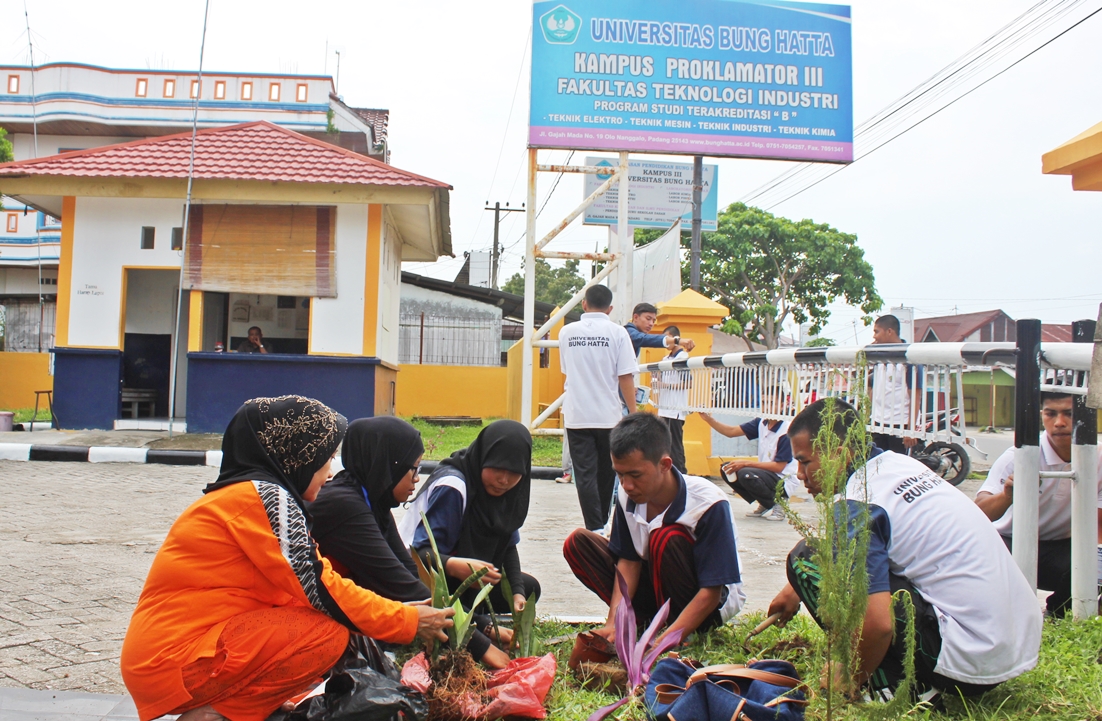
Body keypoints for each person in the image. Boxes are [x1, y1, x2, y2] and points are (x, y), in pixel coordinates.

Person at [121, 396, 453, 721]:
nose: (330, 469)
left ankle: (242, 706)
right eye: (326, 457)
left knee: (315, 620)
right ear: (298, 456)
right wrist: (406, 621)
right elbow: (323, 590)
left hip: (177, 656)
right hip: (175, 661)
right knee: (328, 632)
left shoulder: (254, 496)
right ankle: (219, 714)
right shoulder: (264, 498)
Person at [768, 399, 1041, 699]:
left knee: (805, 558)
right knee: (828, 557)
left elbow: (878, 625)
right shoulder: (901, 465)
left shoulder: (857, 506)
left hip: (969, 660)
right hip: (1015, 644)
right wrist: (794, 590)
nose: (799, 474)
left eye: (805, 462)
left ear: (840, 454)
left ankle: (894, 686)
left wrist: (847, 675)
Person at [310, 417, 513, 667]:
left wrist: (485, 627)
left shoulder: (373, 502)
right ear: (389, 466)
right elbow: (399, 584)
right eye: (413, 468)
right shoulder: (344, 506)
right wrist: (482, 646)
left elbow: (409, 571)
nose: (417, 479)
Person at [563, 413, 745, 646]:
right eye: (619, 474)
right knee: (577, 543)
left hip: (707, 604)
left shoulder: (708, 503)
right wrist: (614, 622)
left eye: (636, 475)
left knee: (664, 537)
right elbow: (628, 562)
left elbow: (711, 592)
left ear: (664, 465)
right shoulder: (627, 496)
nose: (626, 485)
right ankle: (637, 621)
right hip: (657, 588)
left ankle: (677, 629)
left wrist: (666, 640)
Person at [975, 391, 1102, 616]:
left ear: (1086, 415)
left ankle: (1060, 614)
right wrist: (1007, 496)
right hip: (1009, 543)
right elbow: (977, 513)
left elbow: (1098, 527)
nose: (1059, 423)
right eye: (1050, 414)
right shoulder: (1019, 456)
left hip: (1063, 548)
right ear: (1041, 416)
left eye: (1069, 414)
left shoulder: (1097, 458)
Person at [399, 420, 541, 619]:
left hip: (469, 576)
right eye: (498, 469)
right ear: (484, 457)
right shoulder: (453, 487)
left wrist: (517, 594)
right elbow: (420, 555)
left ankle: (470, 611)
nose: (504, 480)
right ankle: (472, 619)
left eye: (514, 473)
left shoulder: (508, 492)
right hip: (423, 575)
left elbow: (507, 543)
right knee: (444, 595)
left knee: (529, 587)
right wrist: (456, 567)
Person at [558, 285, 638, 531]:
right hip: (609, 416)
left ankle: (595, 526)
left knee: (584, 475)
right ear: (610, 308)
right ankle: (601, 523)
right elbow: (626, 377)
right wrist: (633, 415)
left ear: (584, 304)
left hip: (576, 414)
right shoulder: (618, 333)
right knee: (607, 474)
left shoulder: (566, 332)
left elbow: (566, 370)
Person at [699, 410, 798, 522]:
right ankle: (765, 502)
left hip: (783, 479)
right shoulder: (761, 422)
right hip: (765, 473)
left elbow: (779, 467)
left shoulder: (787, 430)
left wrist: (745, 463)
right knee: (727, 469)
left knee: (745, 474)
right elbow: (731, 432)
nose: (767, 407)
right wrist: (708, 419)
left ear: (782, 405)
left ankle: (780, 502)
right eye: (764, 402)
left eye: (772, 403)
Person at [869, 314, 919, 454]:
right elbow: (874, 388)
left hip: (899, 423)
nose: (874, 337)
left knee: (898, 467)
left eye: (876, 331)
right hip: (878, 423)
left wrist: (911, 429)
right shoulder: (879, 358)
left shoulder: (909, 358)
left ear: (889, 331)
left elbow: (915, 394)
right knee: (879, 464)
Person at [654, 325, 689, 473]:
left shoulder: (683, 358)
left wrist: (665, 385)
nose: (666, 342)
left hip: (675, 409)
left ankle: (681, 474)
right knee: (664, 444)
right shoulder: (665, 359)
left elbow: (688, 383)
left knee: (675, 445)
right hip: (664, 407)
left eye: (669, 338)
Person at [625, 302, 695, 357]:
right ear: (636, 317)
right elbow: (643, 338)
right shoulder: (628, 332)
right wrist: (676, 340)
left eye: (653, 321)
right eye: (648, 319)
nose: (651, 324)